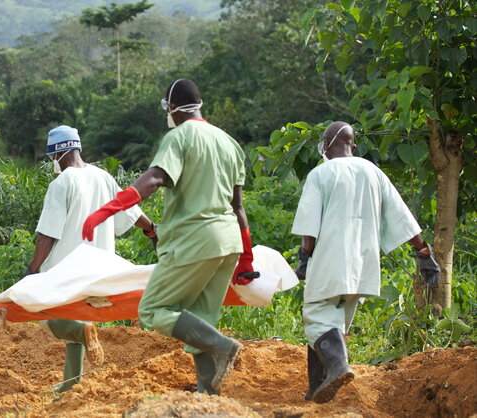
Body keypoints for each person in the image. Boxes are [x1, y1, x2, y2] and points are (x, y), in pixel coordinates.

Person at [82, 79, 257, 395]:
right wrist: (246, 257)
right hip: (227, 242)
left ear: (172, 107)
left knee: (153, 309)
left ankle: (223, 347)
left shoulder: (179, 137)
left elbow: (156, 177)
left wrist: (109, 208)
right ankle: (208, 393)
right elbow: (239, 206)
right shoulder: (229, 143)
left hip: (193, 241)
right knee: (200, 318)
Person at [292, 121, 440, 404]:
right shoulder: (374, 173)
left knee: (317, 318)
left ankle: (338, 367)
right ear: (353, 146)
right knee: (332, 324)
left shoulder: (321, 173)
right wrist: (424, 253)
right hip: (363, 266)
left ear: (325, 145)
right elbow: (402, 216)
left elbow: (309, 230)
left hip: (329, 263)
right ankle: (316, 390)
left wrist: (304, 258)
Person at [25, 125, 158, 392]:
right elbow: (130, 212)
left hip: (66, 271)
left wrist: (32, 270)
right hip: (99, 270)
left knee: (43, 314)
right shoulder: (103, 177)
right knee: (79, 319)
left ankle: (80, 333)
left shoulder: (61, 183)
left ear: (55, 155)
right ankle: (71, 384)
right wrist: (151, 228)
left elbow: (47, 235)